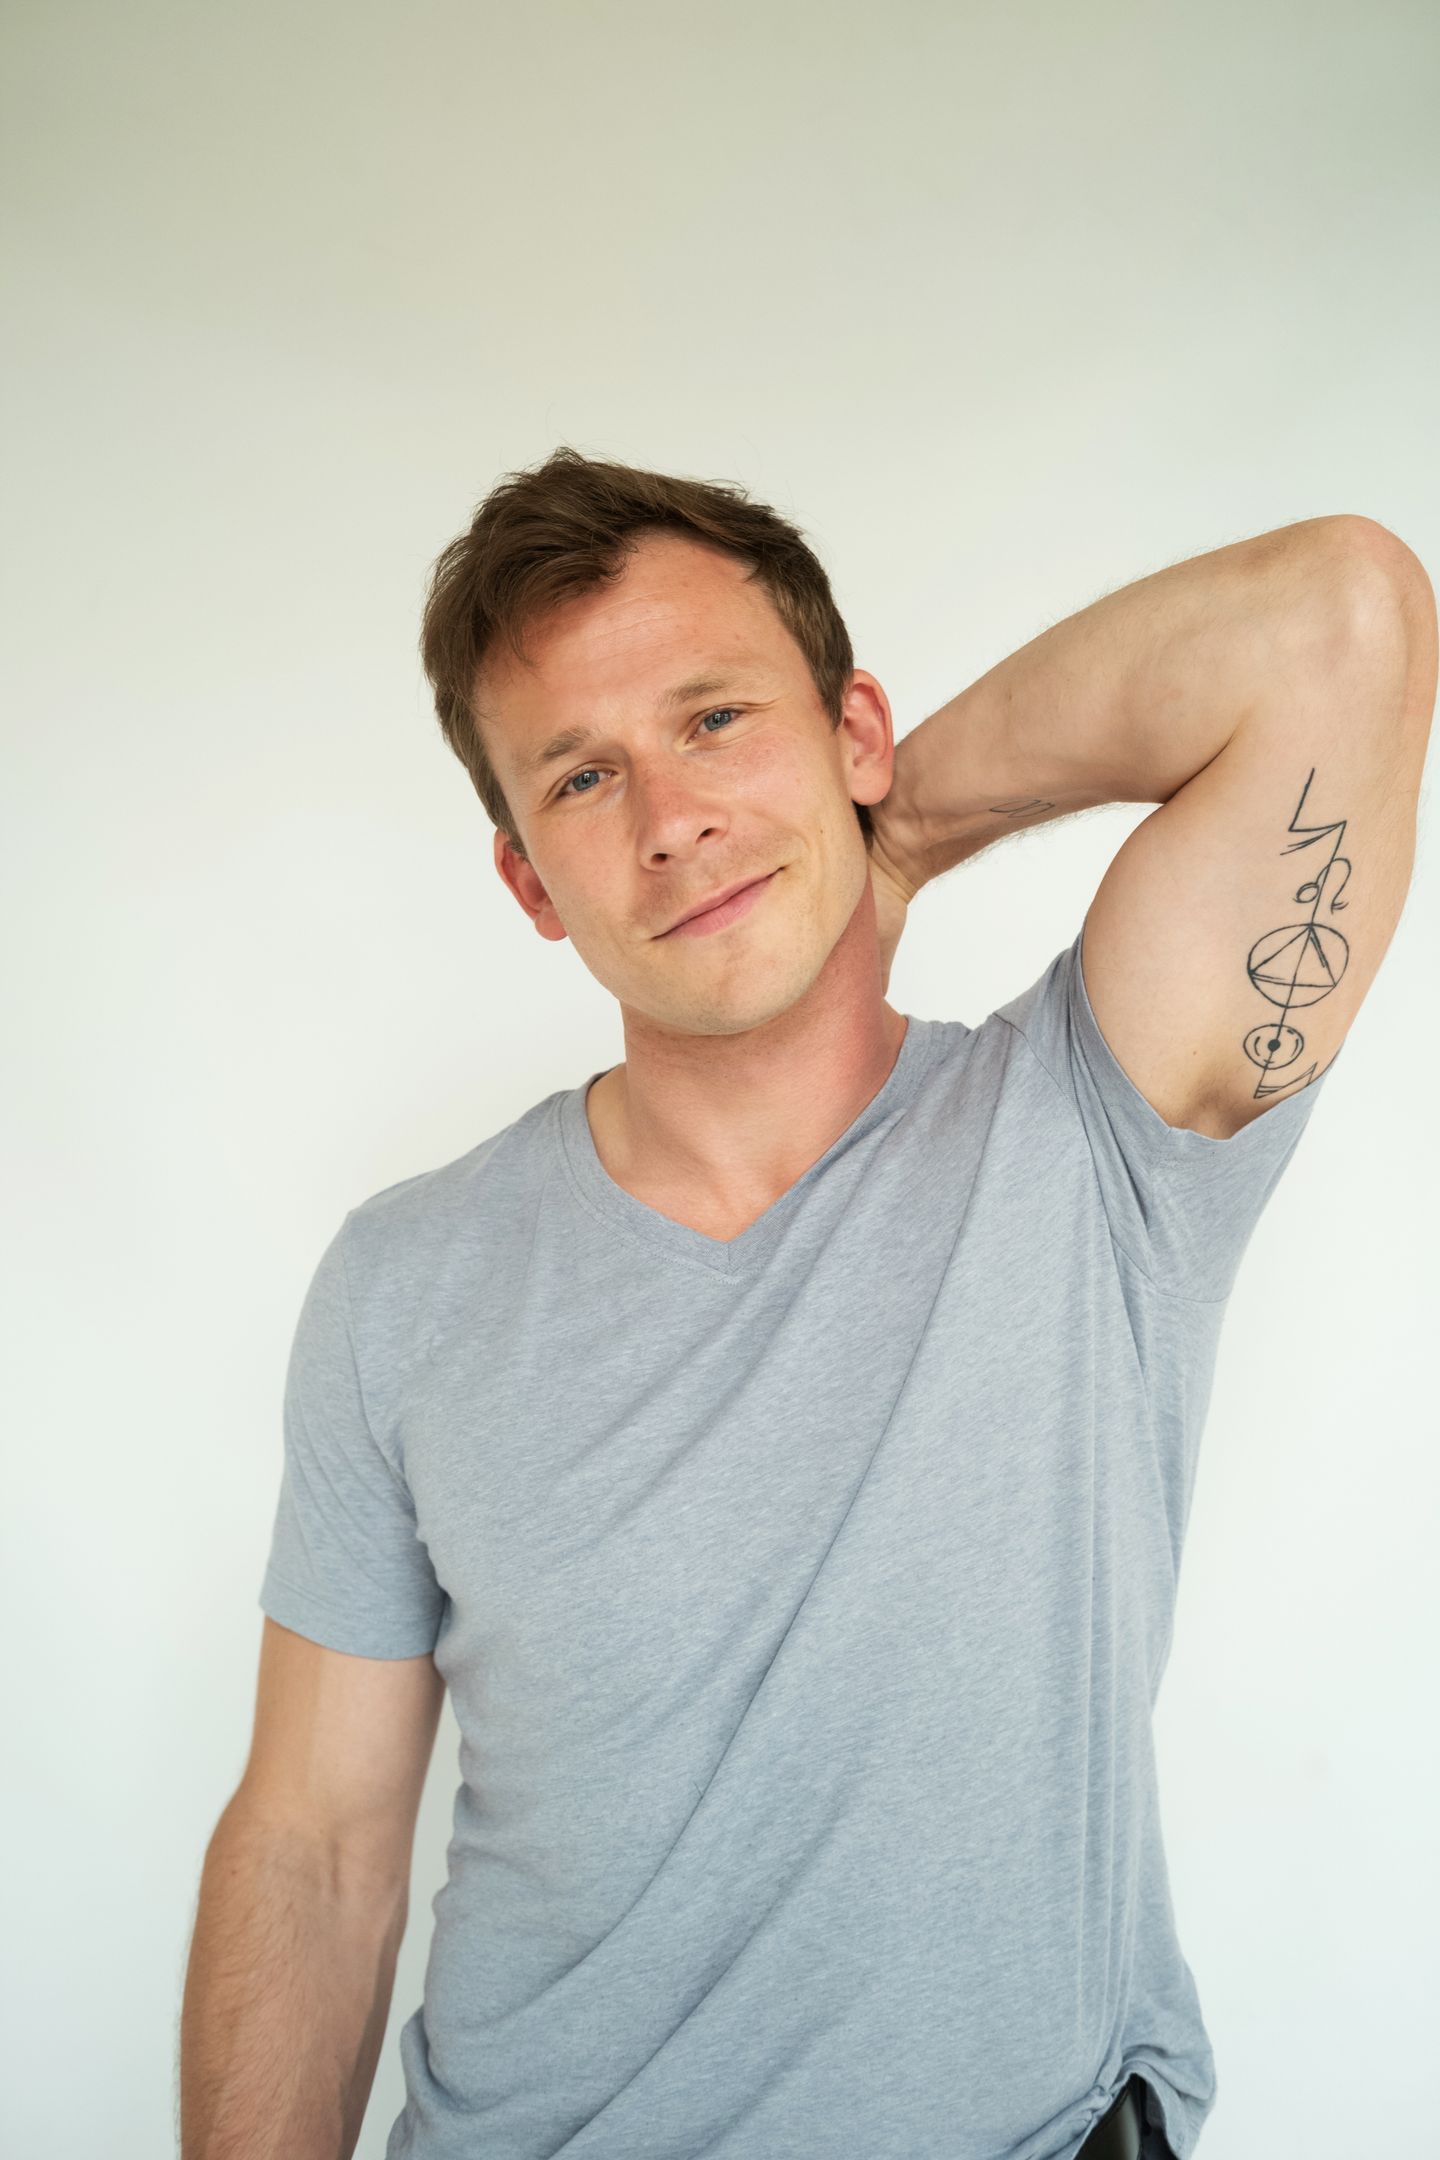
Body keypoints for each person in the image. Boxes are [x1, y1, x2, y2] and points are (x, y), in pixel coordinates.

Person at [179, 449, 1433, 2160]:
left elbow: (1342, 616)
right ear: (531, 884)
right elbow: (315, 1848)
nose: (670, 820)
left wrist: (896, 829)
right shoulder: (404, 1284)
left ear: (854, 729)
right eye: (582, 777)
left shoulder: (1091, 1135)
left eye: (715, 720)